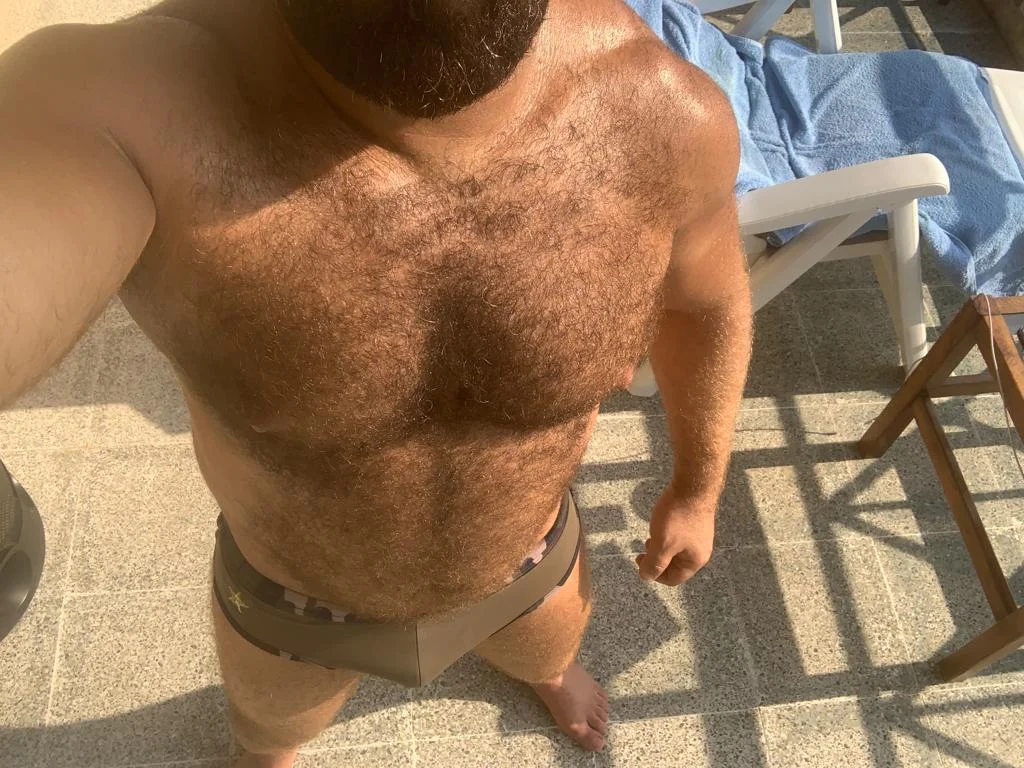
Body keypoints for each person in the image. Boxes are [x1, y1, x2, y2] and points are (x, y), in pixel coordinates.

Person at [0, 0, 752, 765]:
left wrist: (699, 489)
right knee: (269, 735)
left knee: (547, 655)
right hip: (296, 606)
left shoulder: (664, 115)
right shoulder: (127, 111)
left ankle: (549, 674)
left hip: (528, 565)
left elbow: (709, 303)